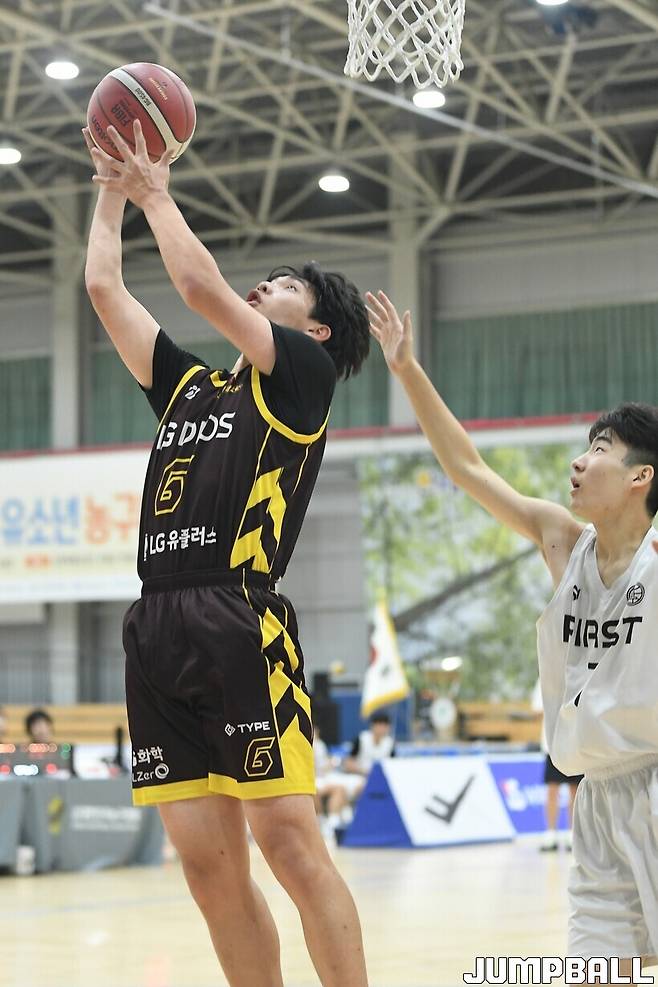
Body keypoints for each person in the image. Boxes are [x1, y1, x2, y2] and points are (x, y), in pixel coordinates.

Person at [83, 120, 370, 987]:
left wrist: (156, 192)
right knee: (210, 873)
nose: (265, 283)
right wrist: (111, 190)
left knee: (289, 844)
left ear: (317, 331)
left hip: (238, 616)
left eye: (286, 285)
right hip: (156, 623)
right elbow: (104, 286)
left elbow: (200, 287)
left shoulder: (302, 379)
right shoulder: (192, 387)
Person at [368, 289, 658, 980]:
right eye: (584, 447)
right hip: (597, 796)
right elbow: (467, 468)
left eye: (601, 449)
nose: (580, 461)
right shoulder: (564, 542)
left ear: (642, 476)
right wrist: (407, 370)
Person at [531, 679, 582, 852]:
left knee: (574, 790)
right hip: (552, 743)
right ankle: (550, 833)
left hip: (574, 742)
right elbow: (537, 710)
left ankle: (572, 833)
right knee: (552, 789)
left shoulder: (577, 675)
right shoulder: (545, 677)